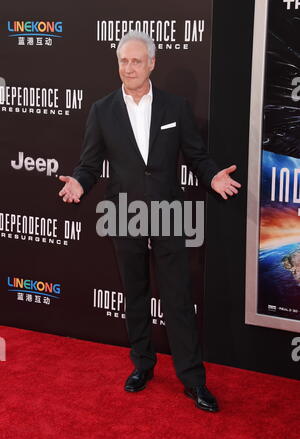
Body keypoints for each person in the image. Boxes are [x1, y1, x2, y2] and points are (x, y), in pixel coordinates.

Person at [58, 30, 241, 413]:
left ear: (152, 64)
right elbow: (90, 164)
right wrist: (79, 181)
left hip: (168, 215)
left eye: (136, 61)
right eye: (123, 61)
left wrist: (212, 177)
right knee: (135, 294)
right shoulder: (102, 110)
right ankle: (142, 365)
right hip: (123, 215)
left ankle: (193, 380)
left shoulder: (176, 107)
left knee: (178, 298)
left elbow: (196, 155)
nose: (129, 67)